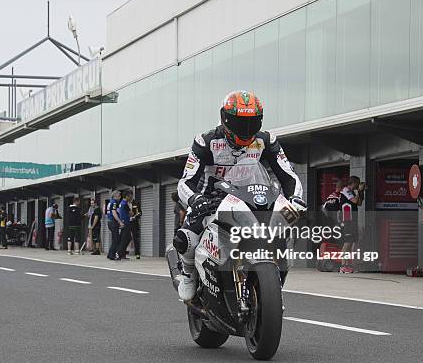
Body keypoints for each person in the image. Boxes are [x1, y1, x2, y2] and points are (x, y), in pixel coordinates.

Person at [174, 91, 306, 301]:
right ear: (225, 119)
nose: (245, 130)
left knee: (286, 228)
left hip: (253, 197)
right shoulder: (205, 141)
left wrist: (296, 199)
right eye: (239, 122)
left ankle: (272, 283)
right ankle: (188, 274)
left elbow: (288, 176)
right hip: (212, 200)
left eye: (251, 123)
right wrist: (195, 199)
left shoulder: (267, 140)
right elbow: (186, 181)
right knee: (187, 238)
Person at [339, 176, 365, 273]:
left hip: (353, 219)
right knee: (348, 242)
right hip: (347, 219)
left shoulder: (353, 192)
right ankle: (343, 265)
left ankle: (349, 264)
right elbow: (354, 200)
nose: (358, 185)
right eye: (357, 184)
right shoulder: (346, 190)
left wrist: (361, 192)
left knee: (353, 241)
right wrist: (359, 191)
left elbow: (359, 203)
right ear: (353, 183)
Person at [115, 190, 133, 260]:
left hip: (123, 222)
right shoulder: (125, 204)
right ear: (127, 196)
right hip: (126, 223)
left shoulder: (121, 203)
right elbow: (131, 213)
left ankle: (122, 254)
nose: (131, 197)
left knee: (127, 238)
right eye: (130, 196)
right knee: (125, 239)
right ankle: (119, 253)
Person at [106, 190, 123, 260]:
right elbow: (114, 213)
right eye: (119, 196)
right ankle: (112, 255)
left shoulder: (110, 202)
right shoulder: (114, 203)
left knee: (115, 239)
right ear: (115, 196)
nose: (120, 197)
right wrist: (120, 222)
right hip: (113, 222)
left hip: (110, 222)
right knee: (116, 239)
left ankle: (110, 254)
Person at [129, 195, 142, 259]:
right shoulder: (125, 203)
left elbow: (140, 213)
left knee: (135, 238)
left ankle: (137, 254)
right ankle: (123, 252)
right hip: (127, 222)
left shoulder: (136, 203)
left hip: (134, 222)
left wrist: (134, 217)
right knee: (125, 237)